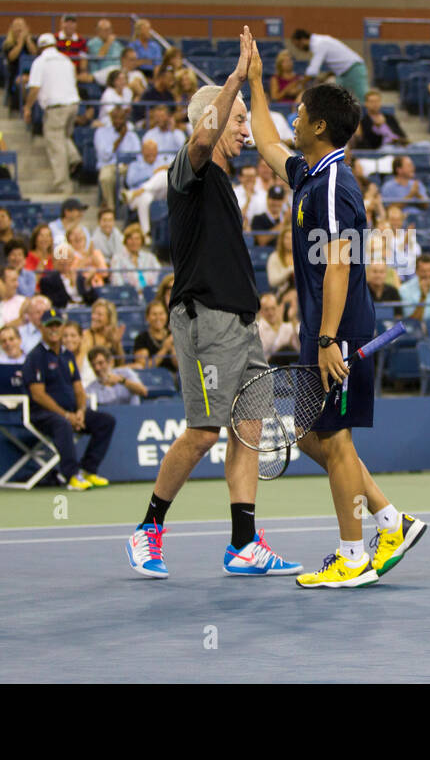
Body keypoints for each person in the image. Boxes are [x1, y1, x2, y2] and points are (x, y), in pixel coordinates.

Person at [245, 28, 426, 587]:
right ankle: (391, 520)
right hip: (323, 327)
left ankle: (352, 556)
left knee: (337, 439)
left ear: (319, 126)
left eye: (298, 113)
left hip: (338, 329)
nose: (291, 120)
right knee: (308, 433)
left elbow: (341, 266)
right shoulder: (310, 176)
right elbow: (265, 142)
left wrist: (327, 341)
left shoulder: (332, 188)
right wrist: (252, 80)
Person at [125, 42, 301, 580]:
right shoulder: (190, 170)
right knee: (203, 431)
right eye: (238, 120)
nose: (246, 131)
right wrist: (236, 79)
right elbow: (205, 135)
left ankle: (244, 543)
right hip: (206, 321)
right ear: (213, 117)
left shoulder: (225, 183)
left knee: (248, 429)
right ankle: (148, 529)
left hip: (243, 324)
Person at [22, 309, 116, 490]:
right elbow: (38, 394)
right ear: (41, 327)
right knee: (62, 424)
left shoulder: (68, 355)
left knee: (106, 422)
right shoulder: (35, 357)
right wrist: (66, 415)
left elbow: (79, 389)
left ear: (63, 327)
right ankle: (72, 475)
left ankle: (89, 470)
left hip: (71, 412)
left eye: (57, 324)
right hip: (43, 415)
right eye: (50, 325)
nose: (54, 329)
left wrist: (80, 411)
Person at [24, 34, 82, 195]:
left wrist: (27, 107)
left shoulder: (40, 62)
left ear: (40, 47)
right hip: (73, 104)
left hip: (56, 107)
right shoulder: (66, 60)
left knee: (55, 146)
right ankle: (73, 156)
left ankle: (63, 185)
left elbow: (35, 88)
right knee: (63, 136)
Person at [291, 28, 369, 105]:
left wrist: (301, 84)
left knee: (364, 100)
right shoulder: (319, 42)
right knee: (337, 100)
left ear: (303, 39)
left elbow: (313, 71)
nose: (299, 48)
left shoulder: (319, 43)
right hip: (342, 75)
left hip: (354, 69)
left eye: (298, 45)